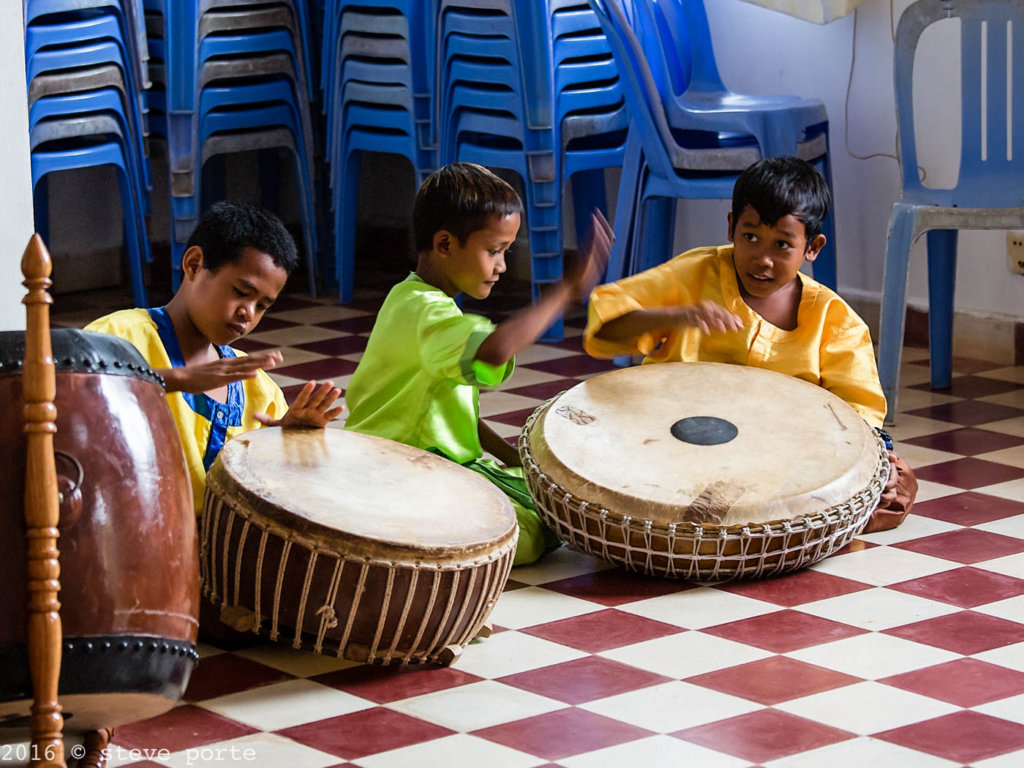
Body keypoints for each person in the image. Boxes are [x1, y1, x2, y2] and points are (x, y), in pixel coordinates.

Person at [582, 157, 915, 533]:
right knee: (597, 450)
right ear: (730, 227)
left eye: (782, 245)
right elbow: (605, 331)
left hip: (780, 458)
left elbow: (860, 413)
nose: (763, 259)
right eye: (750, 237)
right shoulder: (693, 274)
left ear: (813, 247)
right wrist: (672, 316)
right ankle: (759, 530)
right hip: (676, 444)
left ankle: (756, 525)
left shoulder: (834, 319)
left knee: (896, 485)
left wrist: (878, 460)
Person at [344, 162, 613, 564]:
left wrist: (512, 459)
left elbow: (454, 413)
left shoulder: (408, 298)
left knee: (541, 491)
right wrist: (566, 292)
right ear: (445, 245)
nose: (502, 266)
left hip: (386, 464)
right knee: (535, 526)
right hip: (405, 472)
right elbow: (494, 350)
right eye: (495, 251)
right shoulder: (429, 315)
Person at [87, 201, 343, 514]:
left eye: (263, 306)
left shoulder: (259, 388)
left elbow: (268, 494)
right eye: (241, 291)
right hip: (134, 544)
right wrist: (176, 379)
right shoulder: (119, 337)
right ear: (194, 264)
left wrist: (288, 442)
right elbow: (72, 399)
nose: (248, 313)